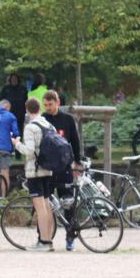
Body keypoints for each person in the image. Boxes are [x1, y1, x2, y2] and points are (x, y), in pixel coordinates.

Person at [42, 90, 83, 251]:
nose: (48, 108)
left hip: (65, 167)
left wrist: (77, 161)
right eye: (45, 105)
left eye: (50, 104)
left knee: (68, 203)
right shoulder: (43, 120)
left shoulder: (67, 119)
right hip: (48, 167)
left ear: (57, 102)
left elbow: (75, 141)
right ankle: (44, 237)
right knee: (45, 204)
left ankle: (70, 237)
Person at [13, 98, 56, 251]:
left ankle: (44, 241)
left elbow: (29, 151)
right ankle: (48, 239)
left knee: (40, 208)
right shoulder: (49, 125)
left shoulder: (30, 127)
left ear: (26, 109)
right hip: (48, 169)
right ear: (39, 108)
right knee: (47, 205)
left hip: (35, 171)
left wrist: (17, 144)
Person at [0, 100, 19, 197]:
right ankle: (3, 198)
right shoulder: (10, 116)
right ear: (7, 107)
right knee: (4, 173)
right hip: (4, 149)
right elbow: (15, 133)